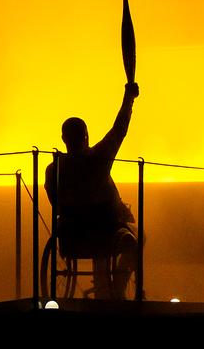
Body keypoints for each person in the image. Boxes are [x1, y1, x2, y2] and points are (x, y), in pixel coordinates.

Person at [45, 82, 140, 299]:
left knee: (103, 228)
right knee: (138, 236)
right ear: (86, 136)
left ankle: (102, 286)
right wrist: (129, 99)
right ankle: (119, 283)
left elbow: (55, 203)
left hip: (72, 238)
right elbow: (119, 129)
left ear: (64, 139)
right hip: (105, 234)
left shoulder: (53, 170)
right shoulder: (99, 158)